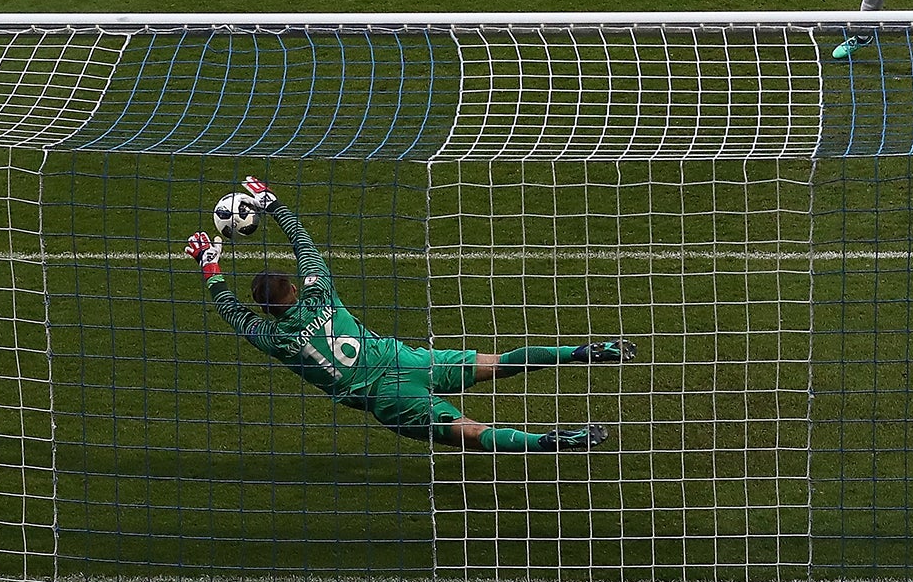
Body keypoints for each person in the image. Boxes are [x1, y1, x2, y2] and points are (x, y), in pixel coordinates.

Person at [187, 177, 628, 454]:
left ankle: (552, 443)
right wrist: (274, 205)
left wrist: (210, 266)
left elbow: (231, 312)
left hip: (386, 398)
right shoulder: (320, 292)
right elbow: (304, 245)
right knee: (495, 363)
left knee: (470, 431)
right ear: (296, 287)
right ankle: (583, 351)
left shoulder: (273, 338)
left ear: (265, 310)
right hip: (404, 359)